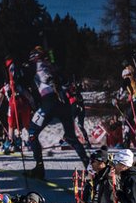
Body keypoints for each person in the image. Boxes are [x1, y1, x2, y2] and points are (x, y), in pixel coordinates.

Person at [21, 47, 90, 179]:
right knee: (71, 137)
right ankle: (89, 166)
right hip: (64, 104)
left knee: (32, 132)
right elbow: (65, 81)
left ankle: (39, 168)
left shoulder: (37, 64)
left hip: (49, 102)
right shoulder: (52, 65)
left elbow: (21, 75)